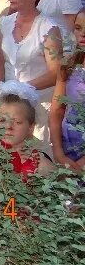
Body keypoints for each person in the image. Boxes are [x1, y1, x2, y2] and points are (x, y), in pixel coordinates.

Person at [0, 0, 63, 150]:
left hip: (39, 101)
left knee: (38, 149)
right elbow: (0, 59)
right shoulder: (6, 22)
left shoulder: (49, 28)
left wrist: (26, 88)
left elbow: (56, 71)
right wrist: (1, 85)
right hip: (9, 101)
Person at [0, 81, 54, 177]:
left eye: (17, 122)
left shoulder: (40, 164)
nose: (8, 126)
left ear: (31, 127)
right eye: (2, 120)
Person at [51, 10, 85, 170]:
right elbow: (57, 110)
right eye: (78, 28)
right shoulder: (69, 65)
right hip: (67, 149)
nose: (82, 34)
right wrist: (58, 152)